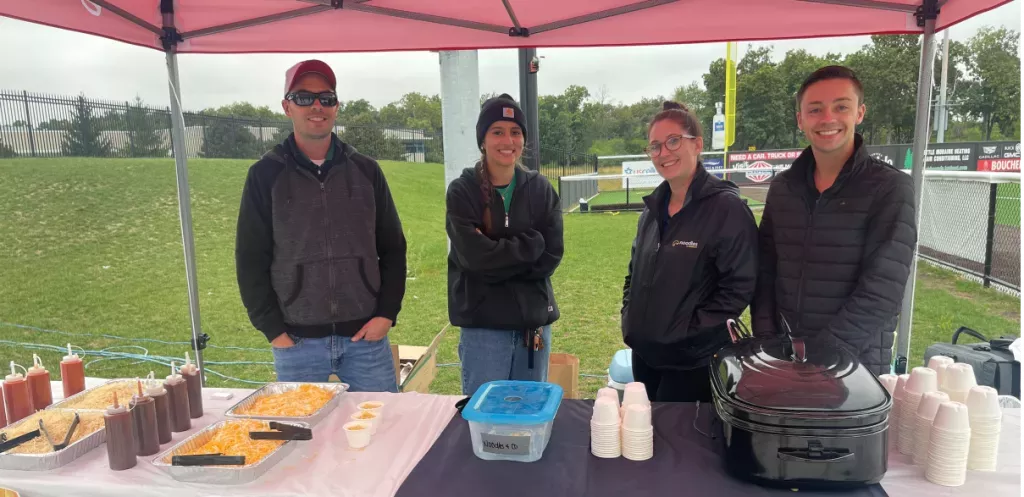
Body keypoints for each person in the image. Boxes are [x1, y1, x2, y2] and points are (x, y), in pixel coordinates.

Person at [235, 59, 407, 392]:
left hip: (365, 342)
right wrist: (274, 331)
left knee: (382, 429)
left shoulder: (366, 171)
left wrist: (386, 314)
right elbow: (250, 259)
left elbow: (393, 247)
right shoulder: (264, 175)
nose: (317, 106)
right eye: (303, 97)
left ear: (337, 107)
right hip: (297, 345)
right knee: (302, 439)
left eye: (326, 98)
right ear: (287, 107)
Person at [751, 65, 917, 376]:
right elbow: (765, 271)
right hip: (784, 360)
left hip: (854, 370)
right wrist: (768, 341)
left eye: (841, 106)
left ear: (859, 113)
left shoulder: (889, 187)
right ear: (800, 119)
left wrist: (822, 360)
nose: (827, 119)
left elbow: (882, 290)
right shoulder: (783, 187)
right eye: (815, 109)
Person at [620, 101, 759, 403]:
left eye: (673, 141)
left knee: (680, 445)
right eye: (655, 146)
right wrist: (630, 318)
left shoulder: (727, 209)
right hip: (645, 355)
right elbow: (635, 273)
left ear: (697, 145)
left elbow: (738, 289)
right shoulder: (651, 211)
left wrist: (687, 333)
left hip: (693, 362)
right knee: (646, 440)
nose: (663, 153)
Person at [445, 94, 564, 396]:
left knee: (529, 410)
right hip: (483, 327)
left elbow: (550, 256)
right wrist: (528, 246)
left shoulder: (540, 189)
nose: (507, 140)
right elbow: (473, 258)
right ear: (482, 140)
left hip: (532, 325)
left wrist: (495, 253)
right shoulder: (463, 191)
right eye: (497, 131)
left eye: (515, 132)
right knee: (485, 416)